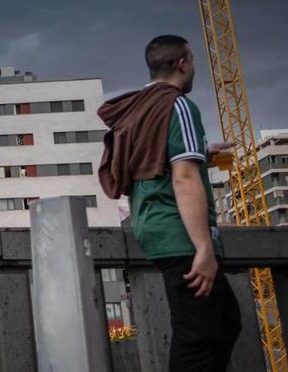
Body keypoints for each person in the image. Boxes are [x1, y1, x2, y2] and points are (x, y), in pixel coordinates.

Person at [98, 34, 241, 371]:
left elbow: (152, 159)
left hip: (153, 227)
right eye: (192, 60)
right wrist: (204, 249)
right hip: (181, 234)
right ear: (183, 64)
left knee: (222, 323)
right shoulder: (178, 105)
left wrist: (203, 152)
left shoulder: (138, 107)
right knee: (200, 338)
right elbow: (184, 177)